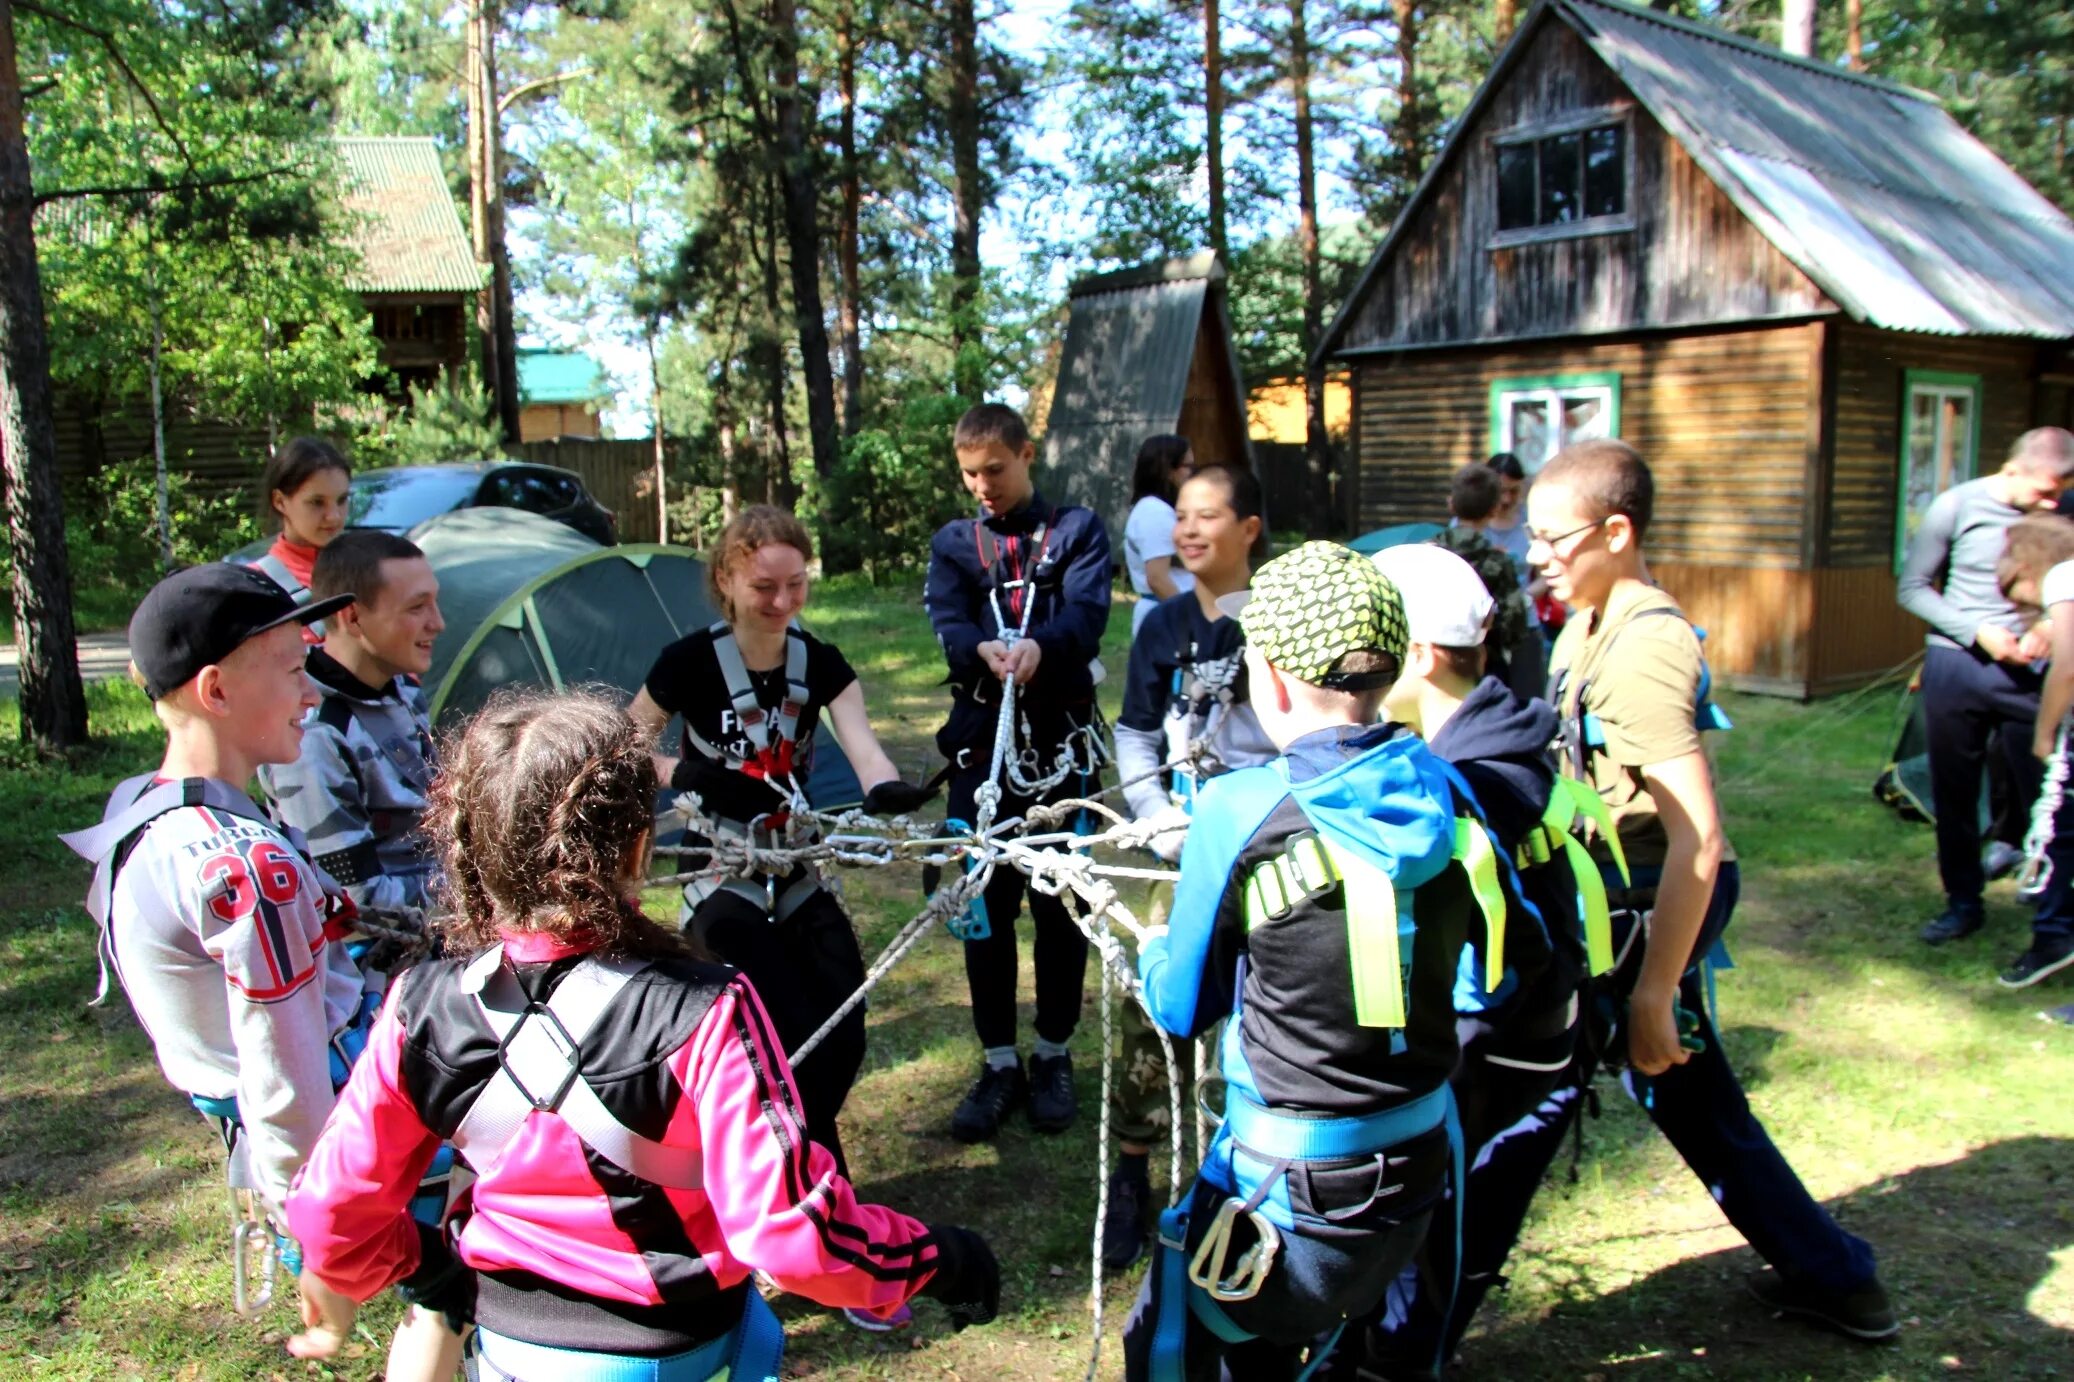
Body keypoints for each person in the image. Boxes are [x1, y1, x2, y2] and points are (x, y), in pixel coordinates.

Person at [281, 690, 1002, 1379]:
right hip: (673, 1349)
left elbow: (330, 1209)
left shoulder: (422, 1004)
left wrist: (426, 1267)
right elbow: (791, 1234)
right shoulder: (705, 1008)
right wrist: (937, 1257)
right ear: (637, 847)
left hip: (507, 1348)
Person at [56, 564, 460, 1379]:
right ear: (215, 690)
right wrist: (320, 1229)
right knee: (487, 1265)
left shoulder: (153, 805)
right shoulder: (244, 869)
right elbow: (285, 1070)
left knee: (453, 1296)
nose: (311, 695)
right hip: (352, 1121)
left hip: (309, 1100)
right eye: (289, 671)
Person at [1533, 438, 1895, 1341]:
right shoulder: (1584, 622)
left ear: (1617, 531)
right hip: (1617, 891)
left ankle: (1415, 1328)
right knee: (1688, 1098)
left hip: (1657, 900)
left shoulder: (1645, 647)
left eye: (1554, 540)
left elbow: (1700, 836)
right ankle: (1835, 1274)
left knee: (1559, 1089)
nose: (1538, 557)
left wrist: (1656, 988)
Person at [1121, 542, 1494, 1381]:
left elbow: (1182, 1007)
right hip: (1418, 1173)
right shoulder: (1445, 788)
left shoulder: (1241, 808)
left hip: (1290, 1196)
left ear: (1273, 678)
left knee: (1165, 1342)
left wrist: (1150, 952)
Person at [1334, 542, 1589, 1379]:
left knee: (1431, 1257)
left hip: (1492, 1063)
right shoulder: (1497, 730)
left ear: (1414, 655)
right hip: (1513, 1047)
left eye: (1362, 649)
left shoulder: (1470, 781)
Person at [628, 506, 934, 1191]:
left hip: (793, 859)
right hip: (716, 866)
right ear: (726, 581)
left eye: (796, 585)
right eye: (765, 588)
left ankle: (777, 1170)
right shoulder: (687, 665)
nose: (783, 602)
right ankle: (820, 1194)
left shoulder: (820, 664)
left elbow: (864, 751)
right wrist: (685, 772)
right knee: (786, 1030)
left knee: (842, 1027)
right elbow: (620, 746)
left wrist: (886, 789)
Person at [1102, 463, 1275, 1271]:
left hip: (1267, 846)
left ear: (1250, 528)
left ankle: (1241, 1178)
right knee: (1154, 1001)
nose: (1189, 530)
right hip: (1178, 843)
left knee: (1260, 1011)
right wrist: (1156, 817)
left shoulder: (1279, 617)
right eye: (1181, 517)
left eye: (1209, 515)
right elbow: (1135, 730)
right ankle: (1132, 1175)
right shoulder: (1160, 625)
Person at [925, 402, 1112, 1142]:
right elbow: (948, 619)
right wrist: (979, 650)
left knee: (1060, 902)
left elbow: (1088, 612)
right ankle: (999, 1059)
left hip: (1059, 750)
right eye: (970, 474)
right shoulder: (954, 545)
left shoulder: (1077, 533)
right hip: (983, 755)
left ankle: (1053, 1051)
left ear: (1026, 454)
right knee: (986, 907)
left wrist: (1042, 647)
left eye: (994, 470)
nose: (983, 486)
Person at [1898, 427, 2074, 946]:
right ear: (2012, 469)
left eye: (2061, 490)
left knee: (2047, 783)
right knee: (1955, 792)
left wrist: (2046, 628)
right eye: (2044, 489)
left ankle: (2050, 898)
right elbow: (1912, 587)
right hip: (1960, 663)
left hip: (2034, 672)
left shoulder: (2065, 506)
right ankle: (1962, 902)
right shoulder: (1956, 506)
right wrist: (1976, 632)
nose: (2052, 500)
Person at [258, 531, 444, 918]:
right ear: (353, 617)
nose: (437, 623)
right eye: (417, 608)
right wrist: (477, 892)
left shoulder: (401, 689)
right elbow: (352, 903)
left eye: (435, 603)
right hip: (387, 961)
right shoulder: (312, 737)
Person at [1992, 514, 2074, 994]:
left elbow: (2066, 670)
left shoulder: (2064, 577)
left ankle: (2053, 936)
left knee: (2063, 832)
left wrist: (2043, 735)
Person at [1435, 462, 1537, 700]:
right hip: (1486, 667)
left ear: (1451, 504)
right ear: (1493, 510)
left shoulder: (1430, 553)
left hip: (1435, 663)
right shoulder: (1498, 563)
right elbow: (1515, 623)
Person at [242, 437, 352, 602]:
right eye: (317, 502)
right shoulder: (258, 586)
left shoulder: (370, 570)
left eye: (342, 500)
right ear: (279, 501)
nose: (334, 516)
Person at [1124, 434, 1196, 636]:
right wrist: (1193, 619)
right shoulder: (1154, 512)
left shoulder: (1159, 510)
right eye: (1188, 467)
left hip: (1167, 613)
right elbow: (1157, 578)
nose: (1192, 474)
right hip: (1167, 617)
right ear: (1168, 471)